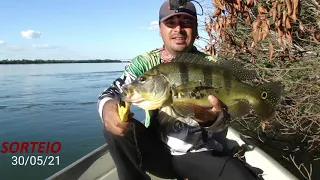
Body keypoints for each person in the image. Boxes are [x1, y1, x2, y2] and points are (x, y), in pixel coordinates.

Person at [97, 1, 262, 180]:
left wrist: (212, 119)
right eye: (171, 23)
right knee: (115, 130)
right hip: (156, 151)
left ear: (196, 29)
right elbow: (113, 92)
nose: (178, 29)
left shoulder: (213, 66)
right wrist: (108, 108)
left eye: (186, 23)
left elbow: (226, 119)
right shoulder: (144, 64)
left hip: (200, 154)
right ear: (160, 29)